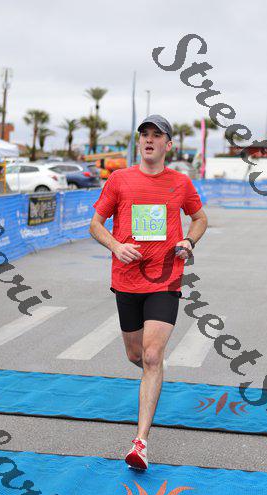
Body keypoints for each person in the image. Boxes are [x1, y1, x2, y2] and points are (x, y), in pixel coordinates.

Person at [89, 114, 208, 470]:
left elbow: (200, 218)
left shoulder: (180, 182)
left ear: (168, 144)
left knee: (153, 356)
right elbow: (95, 224)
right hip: (126, 280)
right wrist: (116, 245)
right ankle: (153, 375)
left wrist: (188, 241)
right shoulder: (120, 180)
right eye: (145, 134)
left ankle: (140, 443)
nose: (150, 139)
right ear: (139, 142)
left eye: (157, 135)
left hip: (165, 281)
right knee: (136, 355)